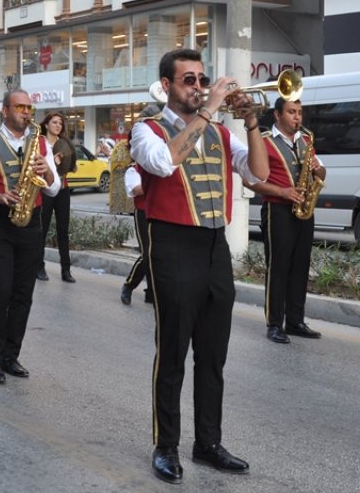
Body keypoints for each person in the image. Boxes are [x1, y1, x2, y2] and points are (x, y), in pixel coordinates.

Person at [129, 48, 268, 484]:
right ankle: (165, 445)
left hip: (214, 246)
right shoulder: (145, 129)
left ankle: (208, 443)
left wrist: (250, 120)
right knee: (172, 354)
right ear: (167, 85)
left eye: (202, 79)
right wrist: (209, 109)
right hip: (172, 245)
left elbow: (260, 175)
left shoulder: (223, 135)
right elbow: (164, 163)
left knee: (213, 356)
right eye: (189, 79)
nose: (199, 86)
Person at [0, 89, 60, 385]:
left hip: (31, 223)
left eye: (29, 108)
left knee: (23, 293)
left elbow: (54, 189)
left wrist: (48, 174)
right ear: (4, 111)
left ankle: (10, 355)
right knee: (0, 291)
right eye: (20, 107)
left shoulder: (40, 142)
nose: (26, 112)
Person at [244, 97, 326, 344]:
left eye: (299, 112)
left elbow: (322, 172)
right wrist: (282, 192)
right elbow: (249, 180)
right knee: (278, 268)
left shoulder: (305, 140)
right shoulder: (265, 141)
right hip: (278, 210)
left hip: (304, 210)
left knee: (300, 267)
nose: (297, 117)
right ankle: (274, 323)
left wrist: (317, 170)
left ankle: (295, 320)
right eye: (292, 112)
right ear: (278, 115)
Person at [118, 104, 161, 306]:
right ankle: (129, 285)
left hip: (160, 212)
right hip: (143, 213)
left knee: (159, 254)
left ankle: (152, 292)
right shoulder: (133, 170)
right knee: (147, 254)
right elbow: (136, 190)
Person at [38, 112, 77, 283]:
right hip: (45, 189)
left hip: (63, 189)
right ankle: (39, 266)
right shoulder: (40, 143)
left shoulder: (65, 143)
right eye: (54, 122)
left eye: (60, 123)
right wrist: (53, 162)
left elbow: (73, 167)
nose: (58, 125)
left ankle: (66, 270)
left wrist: (68, 163)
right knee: (42, 229)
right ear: (46, 125)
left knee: (63, 230)